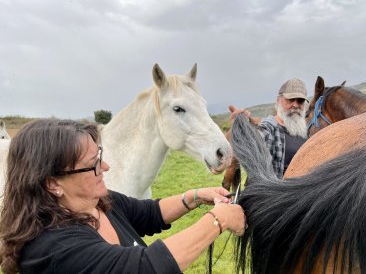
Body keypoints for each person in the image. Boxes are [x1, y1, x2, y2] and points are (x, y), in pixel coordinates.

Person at [0, 119, 246, 274]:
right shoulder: (54, 247)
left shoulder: (99, 203)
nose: (105, 167)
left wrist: (195, 196)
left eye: (100, 156)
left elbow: (149, 212)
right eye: (92, 164)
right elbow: (146, 267)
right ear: (52, 183)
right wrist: (218, 220)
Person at [230, 78, 309, 178]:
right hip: (277, 192)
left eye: (300, 101)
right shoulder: (269, 128)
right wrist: (240, 129)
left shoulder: (306, 133)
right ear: (278, 100)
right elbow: (253, 145)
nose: (295, 105)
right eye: (291, 99)